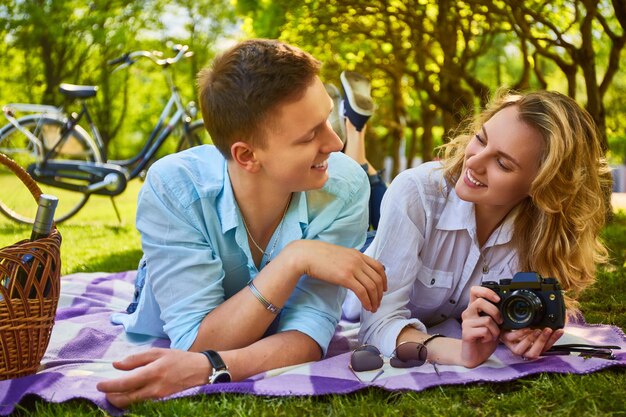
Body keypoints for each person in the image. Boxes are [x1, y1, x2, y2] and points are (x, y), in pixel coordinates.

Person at [96, 39, 387, 408]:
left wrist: (212, 368)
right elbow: (196, 341)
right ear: (247, 155)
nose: (336, 142)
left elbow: (308, 333)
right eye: (310, 135)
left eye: (328, 119)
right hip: (167, 290)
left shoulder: (344, 187)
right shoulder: (175, 188)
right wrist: (295, 258)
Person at [350, 89, 611, 368]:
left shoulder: (540, 237)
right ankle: (354, 128)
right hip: (363, 256)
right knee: (357, 183)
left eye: (501, 163)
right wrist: (460, 353)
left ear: (541, 186)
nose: (472, 162)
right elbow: (376, 326)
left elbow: (513, 320)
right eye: (480, 139)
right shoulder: (417, 192)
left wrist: (517, 331)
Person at [326, 71, 387, 230]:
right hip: (379, 237)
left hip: (353, 238)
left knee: (355, 173)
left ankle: (354, 128)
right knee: (365, 173)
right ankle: (355, 128)